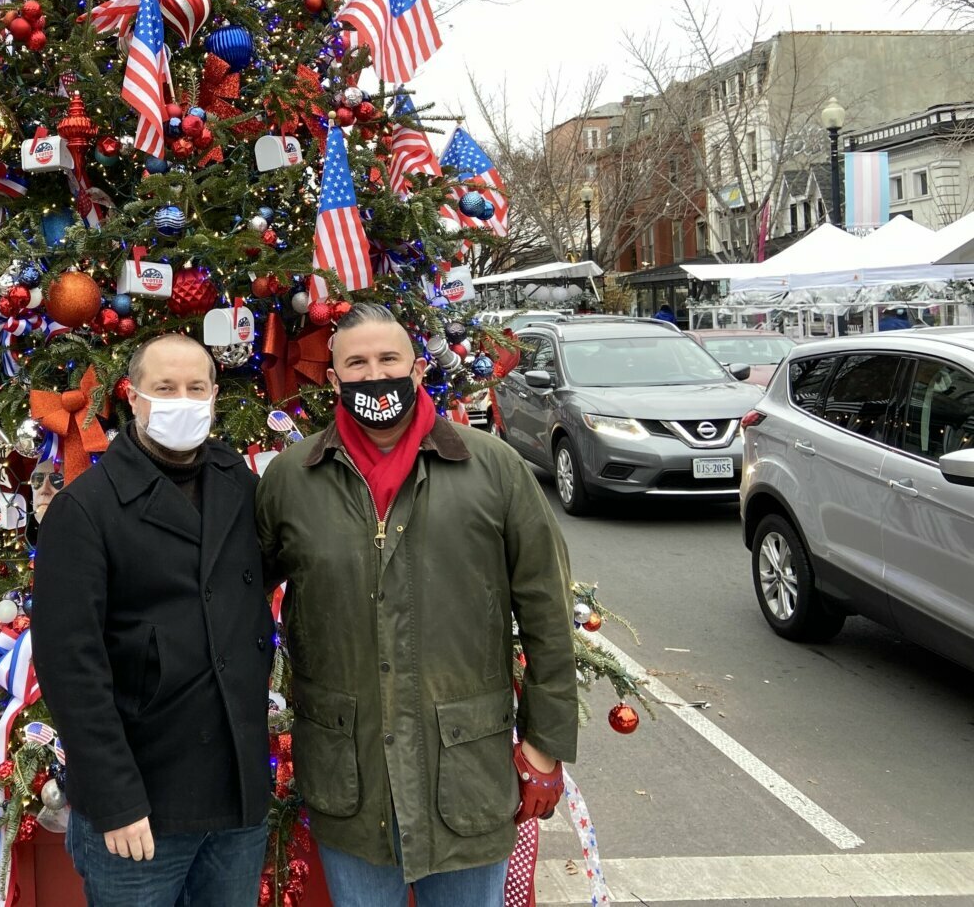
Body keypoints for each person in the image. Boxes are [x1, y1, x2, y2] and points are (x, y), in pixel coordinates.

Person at [257, 304, 578, 907]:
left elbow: (547, 610)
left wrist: (544, 742)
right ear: (333, 378)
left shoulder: (493, 467)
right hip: (349, 778)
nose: (374, 374)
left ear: (418, 368)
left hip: (465, 772)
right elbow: (239, 601)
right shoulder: (291, 479)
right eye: (356, 363)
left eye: (389, 359)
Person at [33, 334, 274, 907]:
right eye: (165, 388)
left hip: (237, 796)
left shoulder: (239, 483)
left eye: (196, 388)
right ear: (133, 396)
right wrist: (115, 798)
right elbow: (70, 668)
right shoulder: (85, 509)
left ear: (214, 396)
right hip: (141, 807)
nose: (182, 400)